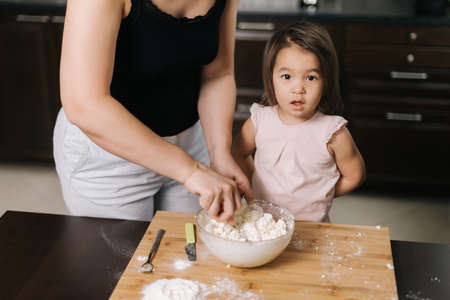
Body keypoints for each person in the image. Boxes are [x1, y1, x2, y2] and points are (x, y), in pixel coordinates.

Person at [53, 0, 252, 222]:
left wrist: (220, 153)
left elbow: (218, 75)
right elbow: (84, 104)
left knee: (188, 249)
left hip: (192, 144)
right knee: (124, 255)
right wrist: (190, 170)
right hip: (110, 157)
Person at [231, 21, 365, 222]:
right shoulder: (260, 121)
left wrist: (322, 192)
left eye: (310, 78)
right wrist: (255, 180)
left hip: (312, 230)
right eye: (286, 76)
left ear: (326, 81)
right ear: (271, 77)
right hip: (264, 226)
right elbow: (237, 153)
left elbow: (355, 175)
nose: (298, 88)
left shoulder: (333, 132)